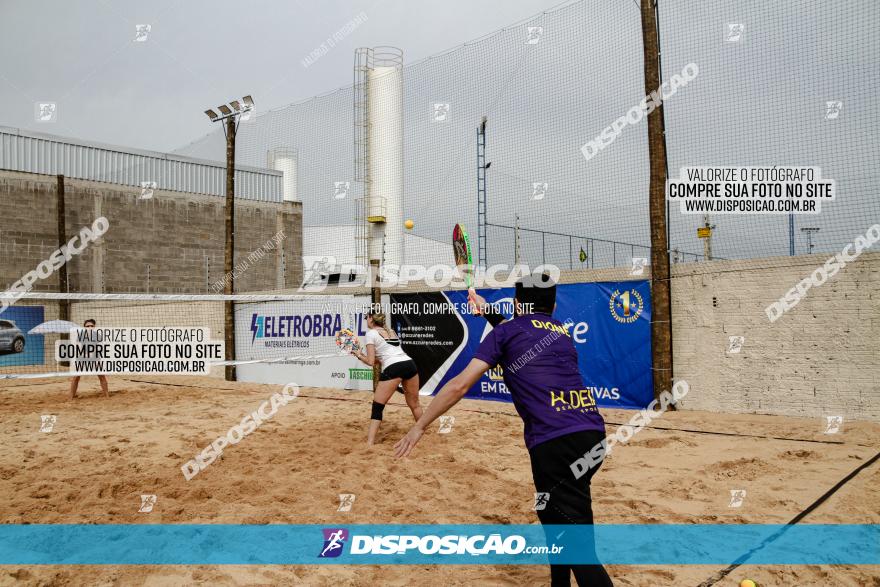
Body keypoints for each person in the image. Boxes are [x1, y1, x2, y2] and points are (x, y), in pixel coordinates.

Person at [393, 275, 613, 586]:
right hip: (592, 435)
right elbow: (519, 329)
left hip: (555, 442)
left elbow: (459, 385)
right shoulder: (561, 332)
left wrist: (419, 425)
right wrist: (486, 311)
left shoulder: (509, 332)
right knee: (556, 517)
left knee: (579, 549)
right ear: (552, 304)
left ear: (518, 303)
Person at [351, 311, 423, 445]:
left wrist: (359, 355)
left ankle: (370, 443)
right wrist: (361, 355)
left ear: (371, 319)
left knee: (377, 407)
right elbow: (383, 358)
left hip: (394, 368)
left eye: (367, 318)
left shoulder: (370, 334)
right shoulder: (391, 331)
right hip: (409, 364)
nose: (366, 320)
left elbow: (371, 362)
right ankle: (423, 432)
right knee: (414, 404)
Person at [69, 318, 109, 399]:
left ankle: (107, 395)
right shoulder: (81, 335)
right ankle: (71, 396)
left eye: (91, 325)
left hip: (94, 357)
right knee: (76, 377)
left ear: (94, 326)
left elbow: (98, 347)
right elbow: (79, 347)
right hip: (82, 357)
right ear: (84, 327)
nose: (89, 327)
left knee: (101, 376)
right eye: (87, 326)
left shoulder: (97, 335)